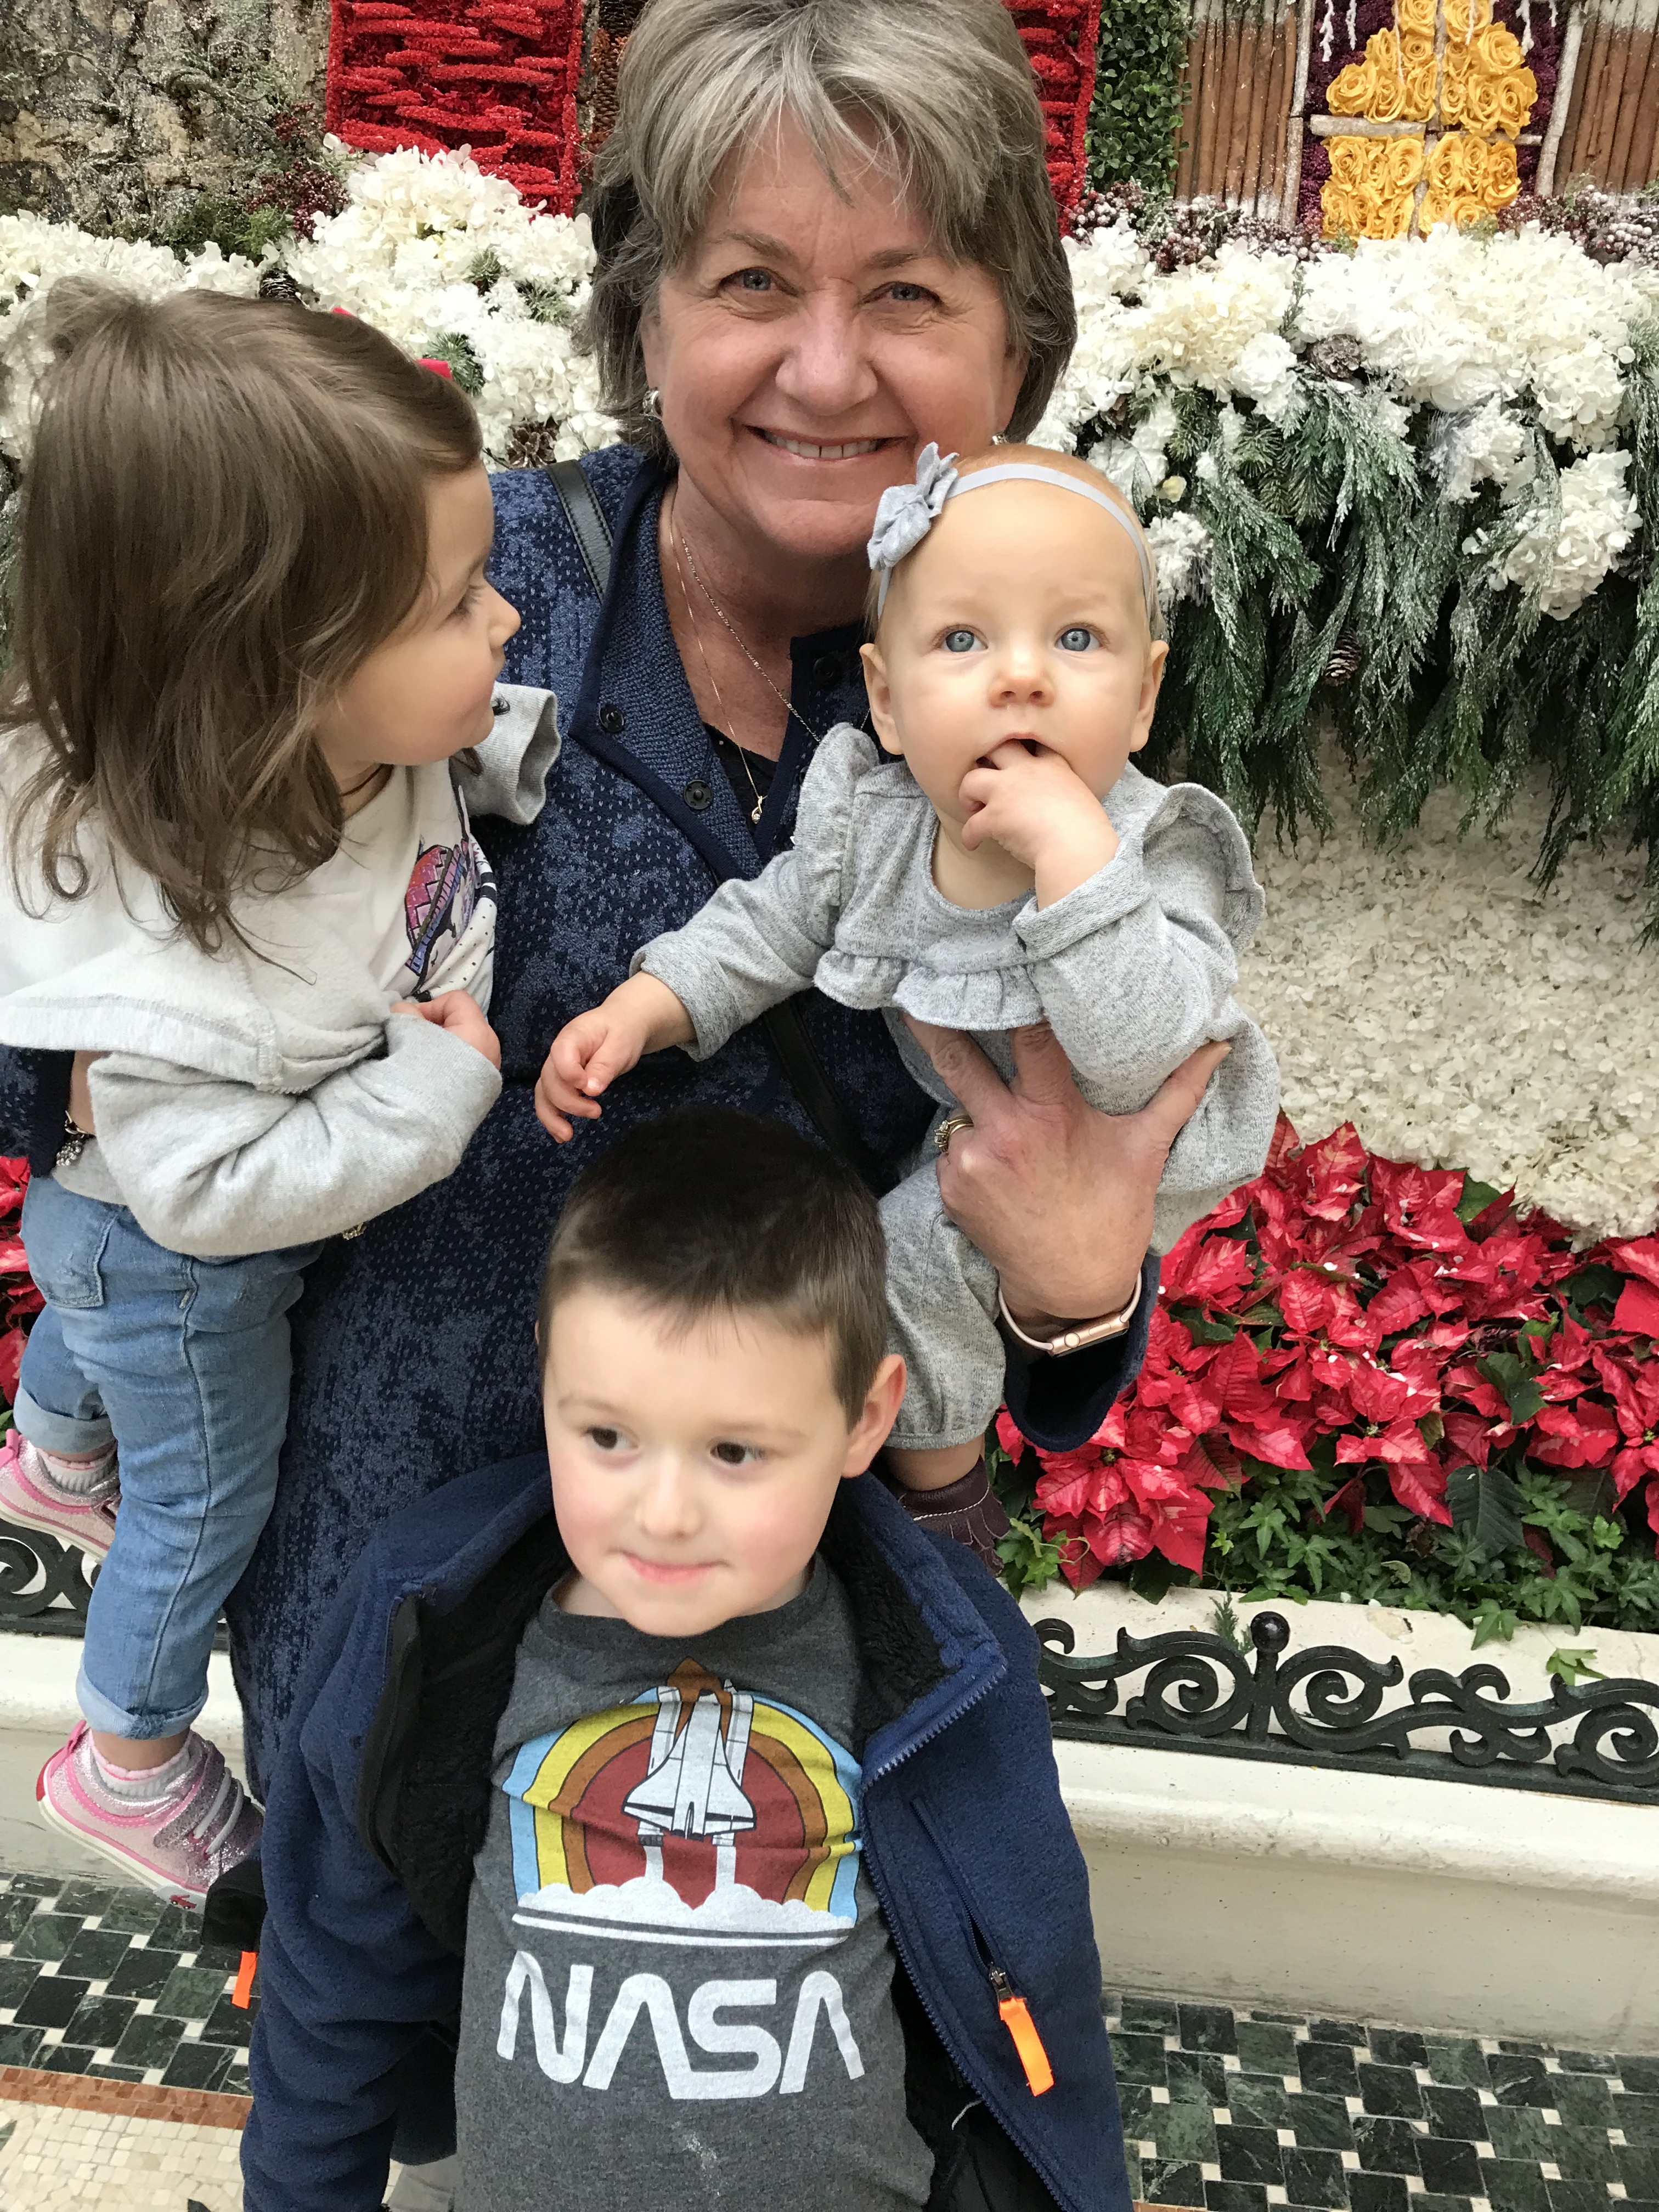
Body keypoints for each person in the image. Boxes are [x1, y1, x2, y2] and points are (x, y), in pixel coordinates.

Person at [0, 0, 1224, 1805]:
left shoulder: (1062, 678)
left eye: (906, 294)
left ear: (1015, 344)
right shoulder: (430, 581)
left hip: (794, 1687)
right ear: (645, 314)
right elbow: (89, 851)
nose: (825, 371)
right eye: (751, 282)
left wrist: (1072, 1292)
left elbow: (1071, 1225)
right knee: (358, 1985)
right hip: (390, 1634)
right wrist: (81, 1081)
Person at [241, 1110, 1132, 2212]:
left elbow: (1045, 1983)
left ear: (866, 1418)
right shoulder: (433, 1624)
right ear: (547, 1374)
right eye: (608, 1437)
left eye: (734, 1450)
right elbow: (332, 1974)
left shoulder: (947, 1654)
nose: (662, 1514)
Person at [0, 286, 557, 1900]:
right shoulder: (187, 952)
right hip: (178, 1265)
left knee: (106, 1345)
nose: (508, 618)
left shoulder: (342, 741)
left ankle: (53, 1443)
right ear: (277, 672)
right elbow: (201, 1192)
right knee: (199, 1510)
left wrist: (490, 736)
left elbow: (417, 770)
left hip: (126, 1244)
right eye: (457, 606)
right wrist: (433, 1097)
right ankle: (128, 1760)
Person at [541, 443, 1278, 1501]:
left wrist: (1075, 862)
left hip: (1143, 1143)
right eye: (962, 639)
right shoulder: (877, 824)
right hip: (981, 1141)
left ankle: (942, 1505)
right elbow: (769, 924)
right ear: (886, 700)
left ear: (1144, 696)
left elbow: (1140, 1055)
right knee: (882, 1274)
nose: (1022, 676)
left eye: (1076, 639)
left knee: (911, 1266)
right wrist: (647, 1006)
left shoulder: (1153, 848)